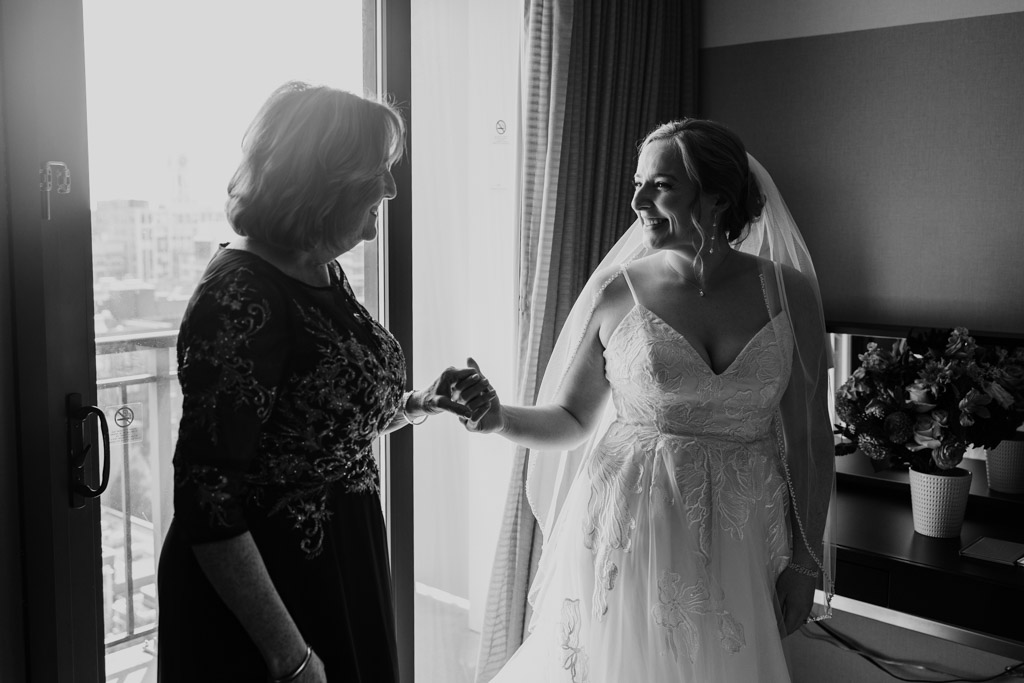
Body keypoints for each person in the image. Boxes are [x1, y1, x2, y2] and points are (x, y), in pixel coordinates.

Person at [456, 119, 836, 682]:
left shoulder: (787, 293)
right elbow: (571, 418)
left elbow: (809, 439)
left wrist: (807, 561)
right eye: (638, 183)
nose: (636, 200)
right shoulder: (617, 292)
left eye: (659, 185)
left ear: (716, 198)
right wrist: (497, 418)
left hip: (745, 530)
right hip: (631, 530)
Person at [157, 82, 488, 683]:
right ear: (322, 178)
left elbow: (318, 420)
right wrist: (289, 656)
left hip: (344, 559)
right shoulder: (240, 296)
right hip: (275, 591)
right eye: (378, 172)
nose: (390, 188)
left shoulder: (319, 268)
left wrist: (417, 403)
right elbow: (208, 504)